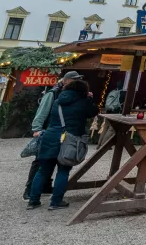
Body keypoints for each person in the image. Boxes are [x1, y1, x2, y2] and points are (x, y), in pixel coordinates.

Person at [27, 76, 98, 210]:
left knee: (43, 171)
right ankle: (56, 201)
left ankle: (33, 200)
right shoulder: (83, 102)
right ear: (83, 90)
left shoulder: (58, 101)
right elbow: (94, 112)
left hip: (50, 136)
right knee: (63, 170)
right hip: (69, 138)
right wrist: (89, 98)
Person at [23, 72, 78, 200]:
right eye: (74, 80)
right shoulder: (52, 94)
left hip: (62, 132)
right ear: (66, 81)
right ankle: (29, 190)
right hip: (47, 131)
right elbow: (42, 112)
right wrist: (37, 129)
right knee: (40, 161)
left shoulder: (72, 95)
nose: (76, 82)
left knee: (56, 159)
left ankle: (46, 186)